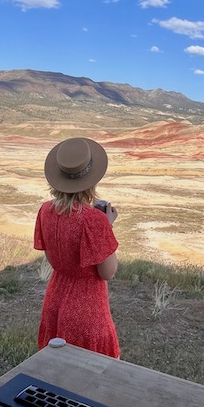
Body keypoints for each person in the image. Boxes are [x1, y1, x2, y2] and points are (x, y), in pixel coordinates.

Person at [34, 137, 120, 358]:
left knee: (55, 370)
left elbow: (54, 260)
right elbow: (107, 272)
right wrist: (105, 228)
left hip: (55, 300)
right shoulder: (94, 220)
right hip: (88, 309)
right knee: (95, 374)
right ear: (92, 179)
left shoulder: (45, 211)